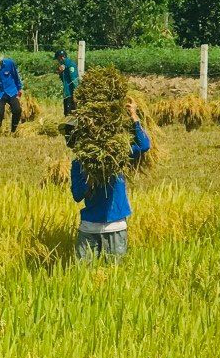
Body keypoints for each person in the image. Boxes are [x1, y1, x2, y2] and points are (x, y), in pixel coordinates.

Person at [70, 99, 150, 261]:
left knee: (115, 275)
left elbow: (144, 146)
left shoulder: (116, 156)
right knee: (84, 275)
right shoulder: (79, 163)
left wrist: (133, 116)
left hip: (115, 225)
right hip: (90, 228)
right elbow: (77, 195)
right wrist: (91, 174)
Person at [55, 48, 80, 114]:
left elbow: (74, 79)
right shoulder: (64, 66)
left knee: (71, 113)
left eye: (58, 59)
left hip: (71, 93)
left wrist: (76, 93)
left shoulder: (71, 65)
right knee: (66, 113)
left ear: (61, 58)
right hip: (66, 93)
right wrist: (60, 72)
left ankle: (70, 124)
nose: (58, 61)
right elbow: (64, 80)